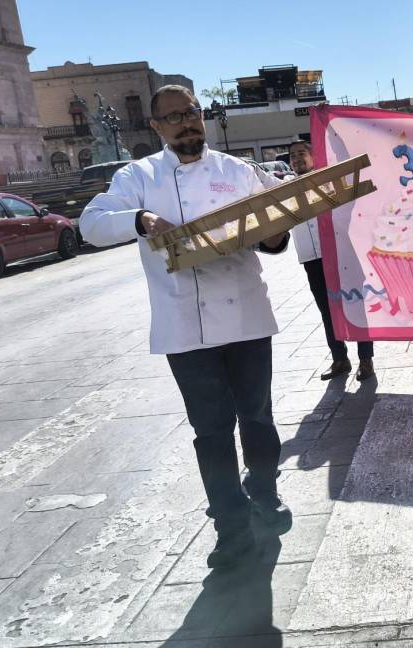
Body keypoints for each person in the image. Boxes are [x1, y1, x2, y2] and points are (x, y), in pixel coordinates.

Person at [80, 85, 293, 568]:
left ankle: (264, 492)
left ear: (202, 117)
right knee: (212, 431)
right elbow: (91, 225)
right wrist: (140, 218)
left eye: (192, 113)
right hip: (184, 325)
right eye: (173, 117)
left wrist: (277, 235)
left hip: (246, 317)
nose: (186, 123)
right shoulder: (139, 176)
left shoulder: (238, 172)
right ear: (157, 127)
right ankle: (230, 524)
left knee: (257, 419)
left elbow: (274, 226)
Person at [287, 139, 375, 381]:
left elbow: (348, 164)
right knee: (326, 310)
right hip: (312, 258)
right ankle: (340, 359)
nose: (296, 158)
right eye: (292, 155)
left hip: (340, 253)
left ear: (315, 155)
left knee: (353, 304)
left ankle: (366, 359)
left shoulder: (329, 181)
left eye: (301, 153)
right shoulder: (285, 188)